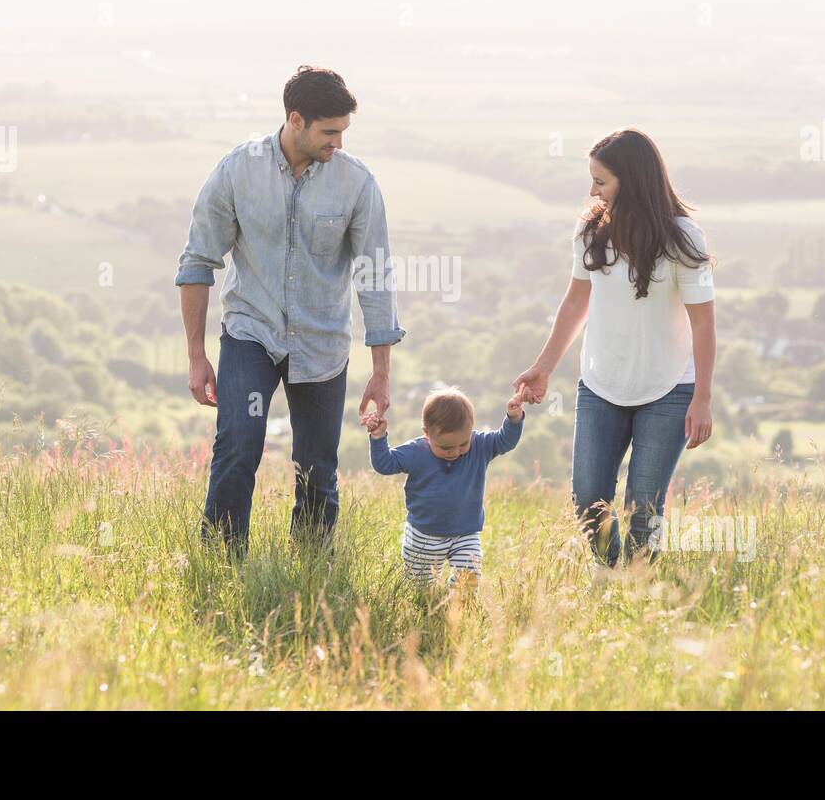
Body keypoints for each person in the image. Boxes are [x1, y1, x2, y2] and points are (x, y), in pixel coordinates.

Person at [176, 65, 406, 553]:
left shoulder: (357, 184)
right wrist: (197, 356)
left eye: (343, 132)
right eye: (330, 132)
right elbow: (198, 262)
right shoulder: (238, 170)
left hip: (322, 344)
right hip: (250, 333)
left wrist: (381, 372)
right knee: (238, 446)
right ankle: (220, 562)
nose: (338, 144)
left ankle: (310, 573)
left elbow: (375, 276)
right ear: (296, 119)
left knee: (317, 465)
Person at [514, 128, 716, 566]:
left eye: (601, 181)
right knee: (588, 500)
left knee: (643, 508)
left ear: (633, 180)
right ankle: (613, 579)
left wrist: (702, 398)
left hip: (669, 389)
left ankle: (639, 590)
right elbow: (574, 301)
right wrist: (544, 366)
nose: (592, 191)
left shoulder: (683, 238)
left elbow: (703, 322)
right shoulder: (590, 230)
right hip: (601, 385)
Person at [363, 386, 527, 590]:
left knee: (468, 579)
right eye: (445, 447)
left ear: (470, 431)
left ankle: (458, 611)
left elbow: (505, 440)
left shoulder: (479, 446)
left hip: (465, 533)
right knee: (420, 590)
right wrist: (378, 437)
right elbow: (385, 464)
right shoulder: (416, 452)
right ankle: (428, 609)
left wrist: (513, 419)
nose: (455, 452)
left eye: (462, 444)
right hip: (423, 536)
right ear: (426, 434)